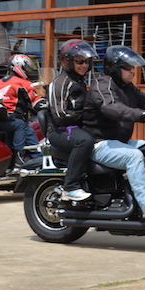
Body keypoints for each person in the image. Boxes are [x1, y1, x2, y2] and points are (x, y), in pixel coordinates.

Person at [82, 45, 145, 223]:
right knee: (134, 156)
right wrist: (141, 115)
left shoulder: (127, 87)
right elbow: (112, 108)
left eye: (133, 67)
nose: (132, 71)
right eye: (127, 68)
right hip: (99, 144)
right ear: (114, 67)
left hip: (119, 143)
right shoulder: (102, 85)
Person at [46, 40, 98, 201]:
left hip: (76, 127)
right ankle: (71, 186)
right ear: (67, 62)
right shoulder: (61, 83)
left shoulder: (80, 82)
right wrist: (86, 114)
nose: (84, 65)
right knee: (85, 141)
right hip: (60, 130)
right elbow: (60, 116)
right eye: (79, 61)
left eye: (86, 62)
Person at [0, 54, 43, 158]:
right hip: (13, 119)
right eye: (26, 68)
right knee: (27, 130)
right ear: (19, 67)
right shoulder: (23, 83)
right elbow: (37, 102)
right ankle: (33, 159)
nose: (28, 71)